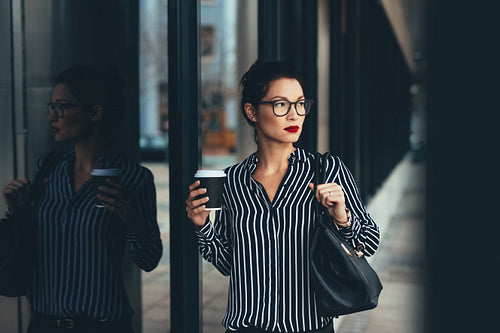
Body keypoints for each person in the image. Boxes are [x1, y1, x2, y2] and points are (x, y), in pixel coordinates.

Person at [186, 60, 380, 333]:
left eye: (300, 104)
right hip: (247, 326)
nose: (294, 115)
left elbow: (369, 242)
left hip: (308, 326)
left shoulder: (326, 170)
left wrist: (342, 217)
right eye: (280, 105)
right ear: (251, 112)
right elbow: (228, 263)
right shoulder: (232, 182)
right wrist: (202, 226)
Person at [1, 65, 162, 332]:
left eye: (62, 106)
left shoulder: (134, 179)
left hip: (104, 325)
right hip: (44, 324)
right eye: (51, 106)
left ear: (95, 112)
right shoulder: (47, 168)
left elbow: (149, 258)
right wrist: (17, 210)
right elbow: (28, 241)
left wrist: (132, 218)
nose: (53, 115)